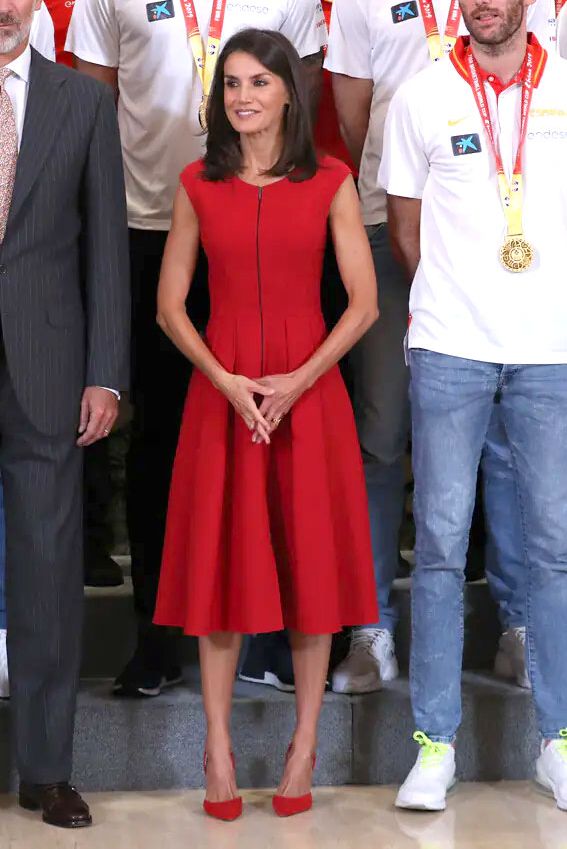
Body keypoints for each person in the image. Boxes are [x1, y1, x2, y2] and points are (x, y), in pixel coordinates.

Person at [66, 0, 326, 700]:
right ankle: (155, 638)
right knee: (158, 446)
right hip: (144, 225)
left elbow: (302, 97)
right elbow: (88, 103)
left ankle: (273, 638)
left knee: (274, 434)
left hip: (260, 223)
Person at [153, 27, 379, 820]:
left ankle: (303, 744)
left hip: (306, 397)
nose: (242, 97)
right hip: (223, 399)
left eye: (257, 82)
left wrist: (298, 380)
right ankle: (215, 748)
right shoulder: (194, 182)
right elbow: (169, 304)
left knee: (310, 573)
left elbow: (363, 303)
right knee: (221, 573)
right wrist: (221, 377)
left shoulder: (330, 181)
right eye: (231, 85)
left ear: (289, 89)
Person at [325, 0, 560, 697]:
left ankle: (518, 624)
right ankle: (371, 628)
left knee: (503, 440)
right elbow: (353, 117)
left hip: (504, 253)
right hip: (390, 221)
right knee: (380, 436)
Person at [380, 0, 567, 812]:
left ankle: (557, 741)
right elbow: (406, 226)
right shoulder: (422, 94)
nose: (484, 3)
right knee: (443, 546)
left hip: (551, 351)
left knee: (557, 549)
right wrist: (459, 300)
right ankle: (434, 744)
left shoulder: (562, 82)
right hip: (451, 345)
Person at [0, 0, 129, 827]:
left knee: (48, 570)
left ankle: (47, 770)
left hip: (47, 366)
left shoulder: (79, 101)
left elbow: (106, 248)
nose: (6, 8)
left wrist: (106, 375)